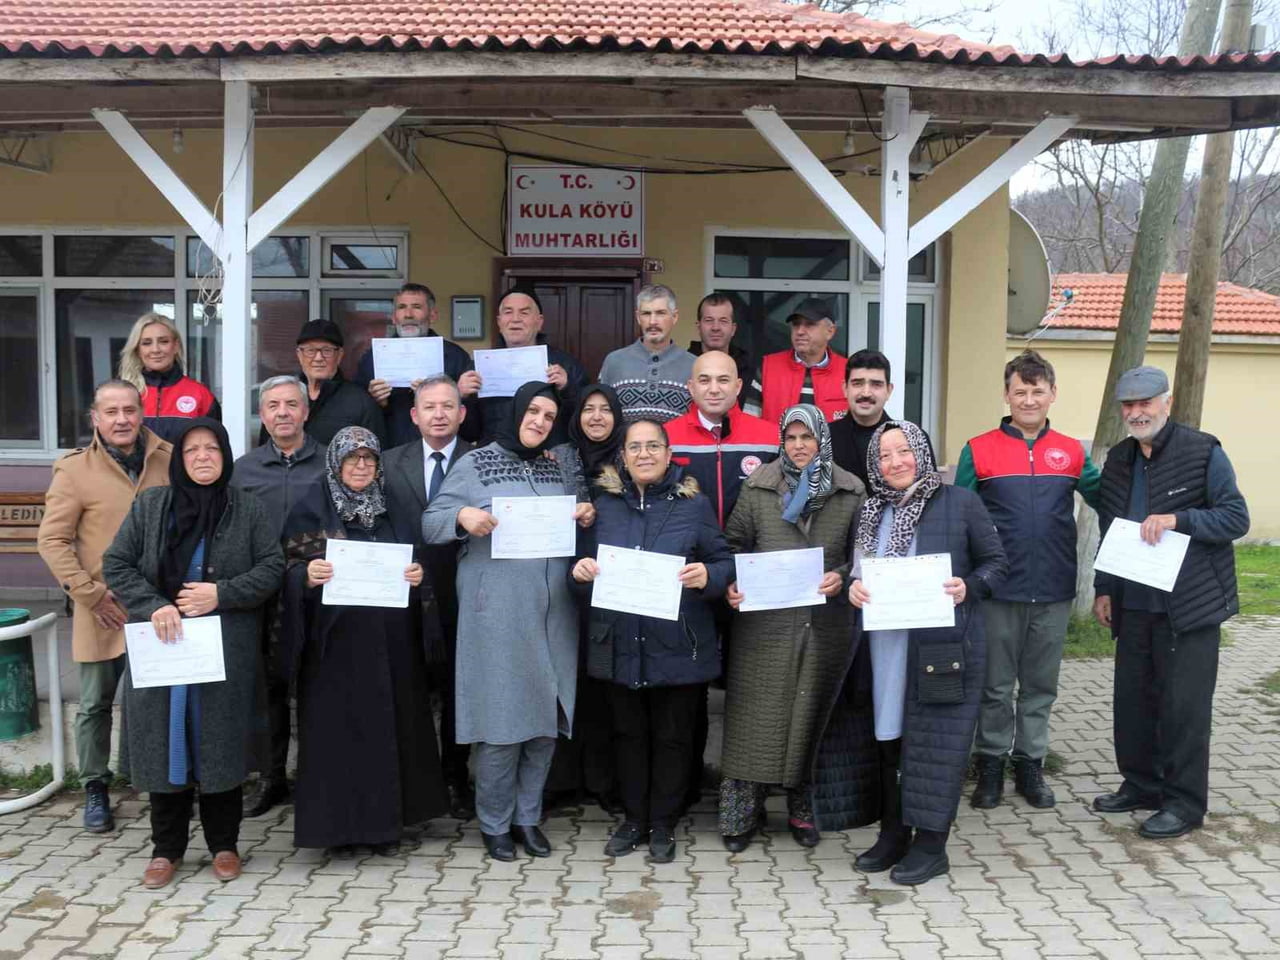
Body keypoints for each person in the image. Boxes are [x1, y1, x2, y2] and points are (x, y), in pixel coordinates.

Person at [101, 419, 284, 889]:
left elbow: (272, 568)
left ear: (225, 456)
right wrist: (155, 604)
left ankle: (223, 846)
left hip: (224, 649)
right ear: (179, 460)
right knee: (167, 747)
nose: (203, 457)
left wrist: (220, 594)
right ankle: (166, 851)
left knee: (219, 747)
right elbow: (116, 563)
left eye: (212, 449)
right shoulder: (152, 505)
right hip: (164, 647)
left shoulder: (246, 508)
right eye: (192, 451)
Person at [422, 382, 595, 861]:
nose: (539, 421)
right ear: (516, 412)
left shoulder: (558, 465)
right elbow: (431, 521)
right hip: (495, 612)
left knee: (545, 722)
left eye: (548, 415)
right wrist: (463, 515)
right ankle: (494, 823)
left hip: (554, 610)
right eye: (532, 411)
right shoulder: (476, 462)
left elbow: (579, 519)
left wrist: (583, 513)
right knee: (502, 725)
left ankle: (528, 818)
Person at [838, 421, 1006, 885]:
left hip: (940, 648)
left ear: (923, 453)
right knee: (888, 742)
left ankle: (931, 847)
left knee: (934, 746)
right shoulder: (869, 510)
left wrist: (968, 586)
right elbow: (857, 571)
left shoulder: (960, 502)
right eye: (885, 455)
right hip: (882, 647)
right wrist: (852, 588)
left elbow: (999, 565)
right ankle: (893, 835)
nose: (895, 462)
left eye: (903, 451)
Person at [1091, 366, 1249, 839]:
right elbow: (1110, 527)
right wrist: (1103, 586)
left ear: (1166, 401)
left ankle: (1183, 804)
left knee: (1184, 709)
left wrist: (1180, 520)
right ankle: (1141, 785)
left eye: (1146, 402)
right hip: (1134, 602)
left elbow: (1235, 517)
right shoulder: (1119, 459)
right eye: (1129, 405)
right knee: (1134, 703)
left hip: (1189, 606)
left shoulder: (1203, 451)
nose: (1137, 412)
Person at [281, 426, 449, 856]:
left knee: (388, 733)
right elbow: (284, 569)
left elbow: (419, 565)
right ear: (335, 463)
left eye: (369, 459)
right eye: (352, 458)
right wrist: (306, 576)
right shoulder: (309, 509)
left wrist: (417, 576)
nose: (360, 466)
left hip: (390, 649)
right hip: (334, 652)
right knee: (340, 738)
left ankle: (385, 828)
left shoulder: (395, 510)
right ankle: (337, 832)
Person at [571, 418, 733, 862]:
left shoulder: (694, 504)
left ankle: (663, 822)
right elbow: (582, 564)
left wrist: (708, 576)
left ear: (668, 453)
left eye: (653, 446)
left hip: (677, 641)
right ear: (621, 455)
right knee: (627, 735)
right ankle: (633, 820)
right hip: (620, 642)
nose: (644, 454)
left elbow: (723, 560)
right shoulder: (602, 505)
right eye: (635, 447)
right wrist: (581, 572)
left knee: (673, 737)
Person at [955, 350, 1101, 810]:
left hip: (1055, 587)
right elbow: (958, 517)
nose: (1029, 399)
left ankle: (1031, 763)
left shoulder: (1073, 452)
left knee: (1040, 686)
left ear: (1053, 395)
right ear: (1007, 394)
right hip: (998, 590)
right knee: (995, 687)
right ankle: (992, 764)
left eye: (1038, 391)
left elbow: (1111, 497)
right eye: (1021, 391)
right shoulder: (978, 449)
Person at [717, 405, 864, 852]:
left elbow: (860, 554)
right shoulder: (759, 486)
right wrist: (733, 584)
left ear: (823, 439)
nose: (800, 446)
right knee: (754, 720)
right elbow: (732, 545)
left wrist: (841, 575)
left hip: (824, 623)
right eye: (791, 438)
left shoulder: (849, 489)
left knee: (811, 716)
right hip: (765, 622)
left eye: (808, 437)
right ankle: (742, 814)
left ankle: (804, 812)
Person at [37, 380, 172, 833]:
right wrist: (89, 594)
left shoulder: (168, 459)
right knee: (95, 702)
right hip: (103, 607)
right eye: (110, 412)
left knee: (157, 698)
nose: (121, 420)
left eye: (129, 410)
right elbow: (52, 540)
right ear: (95, 418)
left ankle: (159, 783)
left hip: (156, 607)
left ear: (141, 411)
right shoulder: (75, 471)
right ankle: (96, 785)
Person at [229, 375, 328, 819]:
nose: (283, 412)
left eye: (292, 403)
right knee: (267, 687)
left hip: (319, 592)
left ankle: (316, 776)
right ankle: (271, 778)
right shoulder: (244, 470)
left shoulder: (333, 462)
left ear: (307, 411)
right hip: (262, 593)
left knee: (317, 685)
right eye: (273, 405)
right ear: (262, 414)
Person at [382, 375, 476, 819]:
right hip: (406, 590)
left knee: (460, 690)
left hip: (466, 591)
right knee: (411, 688)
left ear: (462, 413)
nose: (439, 414)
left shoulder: (482, 460)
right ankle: (413, 781)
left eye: (448, 406)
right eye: (430, 407)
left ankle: (457, 777)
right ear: (414, 415)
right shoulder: (387, 462)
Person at [544, 385, 628, 815]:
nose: (596, 417)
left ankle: (604, 781)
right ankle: (561, 781)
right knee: (561, 680)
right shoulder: (554, 457)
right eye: (588, 410)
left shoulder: (630, 458)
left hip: (614, 587)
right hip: (559, 583)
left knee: (603, 687)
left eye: (605, 410)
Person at [354, 282, 481, 447]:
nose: (408, 314)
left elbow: (474, 426)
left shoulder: (455, 356)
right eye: (402, 307)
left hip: (442, 455)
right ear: (394, 317)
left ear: (433, 315)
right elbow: (355, 415)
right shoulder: (373, 358)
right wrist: (375, 402)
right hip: (389, 455)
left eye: (416, 307)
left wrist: (455, 394)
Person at [667, 351, 779, 528]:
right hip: (690, 550)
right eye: (704, 380)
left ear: (738, 386)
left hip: (750, 550)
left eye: (723, 380)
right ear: (691, 387)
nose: (714, 389)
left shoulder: (772, 438)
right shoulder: (666, 438)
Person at [475, 288, 587, 446]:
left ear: (539, 322)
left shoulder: (565, 365)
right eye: (508, 312)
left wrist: (568, 389)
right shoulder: (480, 367)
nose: (515, 319)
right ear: (499, 322)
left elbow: (583, 423)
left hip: (548, 459)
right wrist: (464, 396)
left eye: (524, 312)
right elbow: (469, 430)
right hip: (495, 460)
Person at [829, 350, 932, 488]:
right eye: (857, 383)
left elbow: (929, 494)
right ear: (845, 388)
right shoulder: (824, 439)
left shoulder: (913, 439)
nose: (866, 393)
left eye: (876, 384)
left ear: (889, 391)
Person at [598, 284, 695, 423]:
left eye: (660, 313)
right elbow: (602, 415)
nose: (652, 321)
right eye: (646, 313)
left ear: (674, 317)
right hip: (624, 445)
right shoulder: (614, 362)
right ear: (638, 317)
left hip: (676, 446)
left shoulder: (694, 365)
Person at [118, 312, 220, 443]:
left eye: (164, 341)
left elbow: (212, 446)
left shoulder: (200, 395)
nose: (155, 349)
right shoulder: (124, 394)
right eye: (146, 343)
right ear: (138, 349)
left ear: (175, 346)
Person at [741, 299, 847, 424]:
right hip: (775, 444)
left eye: (809, 324)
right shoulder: (768, 368)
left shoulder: (849, 371)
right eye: (796, 324)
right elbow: (749, 423)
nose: (800, 331)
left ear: (830, 331)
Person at [291, 318, 387, 447]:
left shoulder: (361, 401)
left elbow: (375, 455)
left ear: (340, 355)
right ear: (299, 355)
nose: (318, 358)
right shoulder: (285, 396)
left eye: (327, 351)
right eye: (310, 351)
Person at [688, 293, 751, 384]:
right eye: (709, 320)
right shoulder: (683, 367)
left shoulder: (749, 371)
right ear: (699, 327)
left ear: (733, 329)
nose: (716, 328)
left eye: (723, 321)